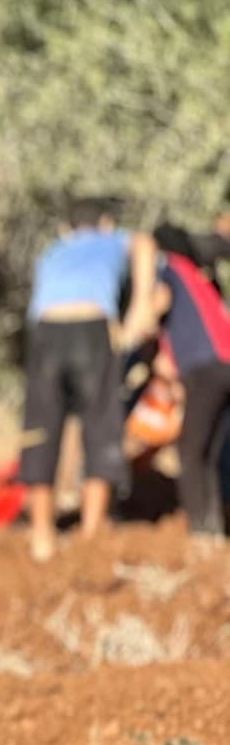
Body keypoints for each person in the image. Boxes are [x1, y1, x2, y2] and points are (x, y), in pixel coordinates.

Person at [20, 199, 156, 561]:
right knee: (100, 425)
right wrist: (140, 307)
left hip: (46, 332)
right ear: (106, 223)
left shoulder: (53, 251)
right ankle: (91, 534)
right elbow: (144, 243)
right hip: (91, 328)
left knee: (40, 430)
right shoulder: (110, 239)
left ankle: (42, 537)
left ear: (66, 229)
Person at [142, 226, 230, 534]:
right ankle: (214, 526)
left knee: (191, 451)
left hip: (205, 366)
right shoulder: (197, 275)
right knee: (211, 451)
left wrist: (141, 335)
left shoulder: (167, 268)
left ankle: (202, 530)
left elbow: (158, 304)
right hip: (224, 362)